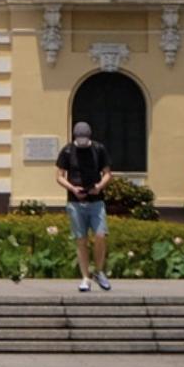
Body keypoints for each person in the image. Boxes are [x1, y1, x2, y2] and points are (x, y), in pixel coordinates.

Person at [55, 121, 113, 292]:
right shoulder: (67, 151)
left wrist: (99, 187)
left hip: (96, 201)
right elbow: (59, 176)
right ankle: (85, 277)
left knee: (101, 235)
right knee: (81, 240)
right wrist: (73, 188)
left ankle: (99, 271)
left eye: (84, 139)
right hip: (75, 202)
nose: (82, 143)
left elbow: (108, 173)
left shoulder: (98, 149)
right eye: (79, 139)